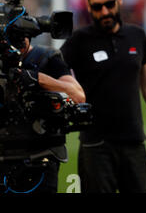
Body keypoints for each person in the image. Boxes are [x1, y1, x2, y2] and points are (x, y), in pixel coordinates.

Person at [60, 0, 146, 193]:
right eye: (97, 7)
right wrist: (68, 89)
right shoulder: (79, 40)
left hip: (133, 142)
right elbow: (54, 71)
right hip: (95, 146)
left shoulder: (137, 35)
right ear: (88, 6)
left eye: (109, 4)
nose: (104, 12)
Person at [0, 36, 85, 193]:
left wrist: (37, 79)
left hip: (40, 158)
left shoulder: (46, 59)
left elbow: (78, 96)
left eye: (19, 36)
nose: (16, 46)